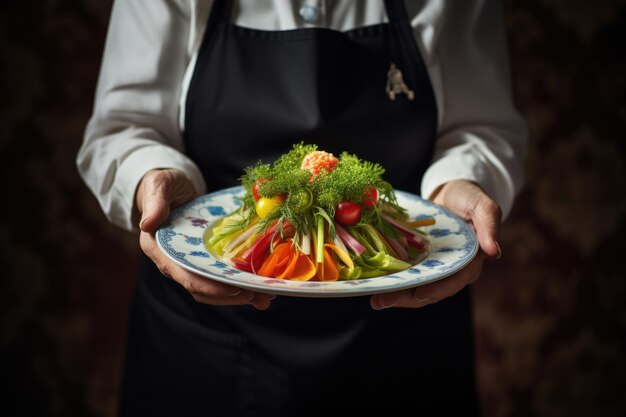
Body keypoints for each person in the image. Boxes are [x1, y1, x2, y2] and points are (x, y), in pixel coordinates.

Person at [77, 0, 527, 415]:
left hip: (405, 331)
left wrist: (460, 183)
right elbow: (123, 127)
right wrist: (151, 177)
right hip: (205, 339)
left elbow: (482, 127)